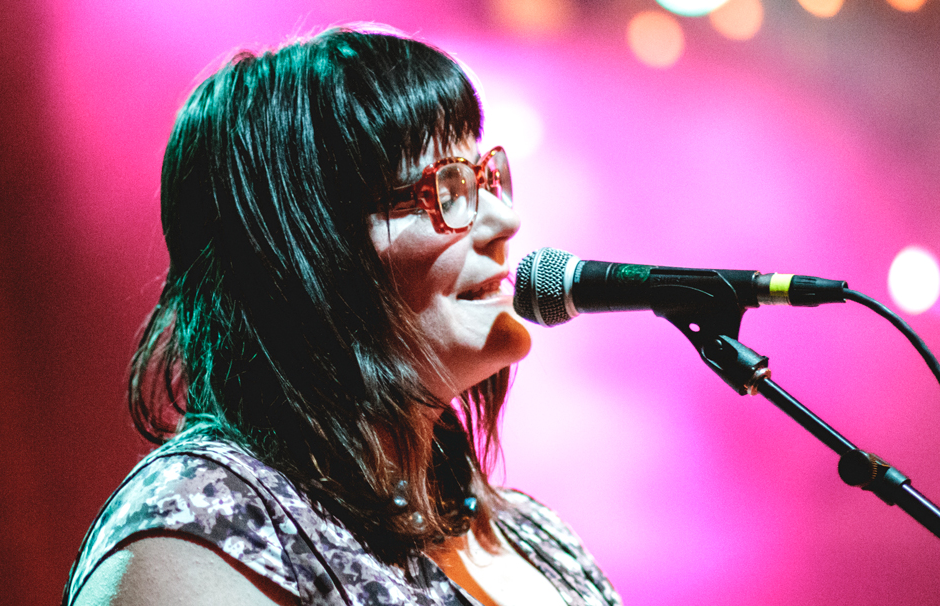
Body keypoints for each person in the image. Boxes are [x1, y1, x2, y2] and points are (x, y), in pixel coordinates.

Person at [62, 25, 622, 606]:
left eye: (485, 178)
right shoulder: (203, 526)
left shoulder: (532, 533)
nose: (503, 222)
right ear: (309, 255)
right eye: (446, 188)